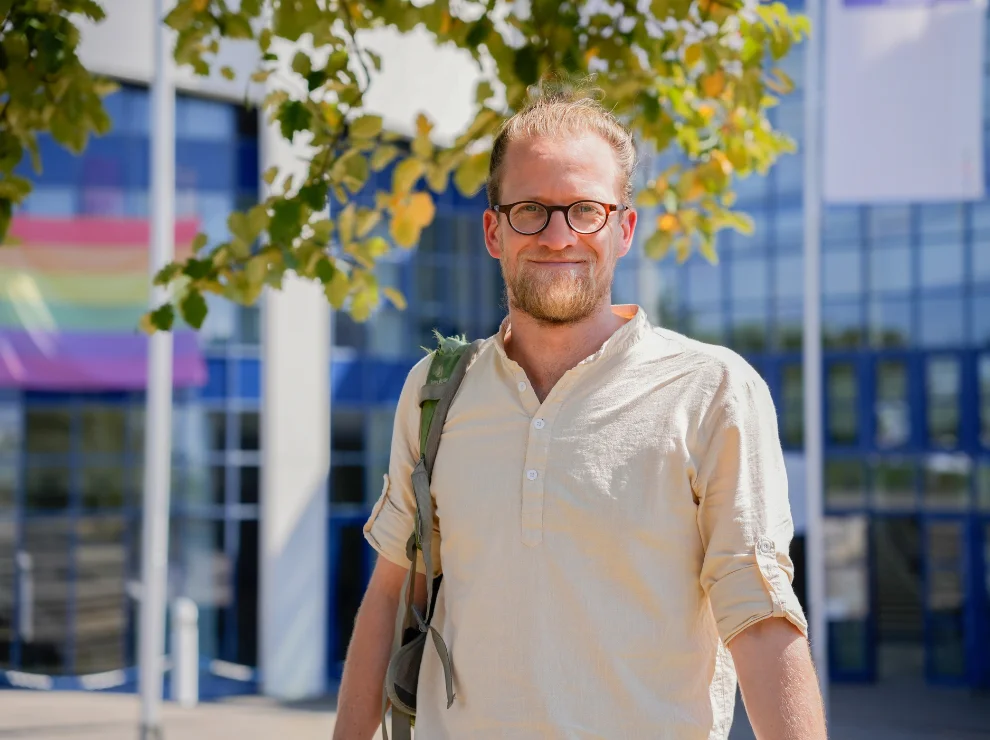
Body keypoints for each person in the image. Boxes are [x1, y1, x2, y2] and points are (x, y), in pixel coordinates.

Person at [332, 87, 828, 740]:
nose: (559, 235)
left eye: (585, 210)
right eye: (532, 209)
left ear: (624, 228)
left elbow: (760, 617)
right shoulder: (434, 390)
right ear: (493, 231)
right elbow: (395, 597)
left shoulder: (713, 391)